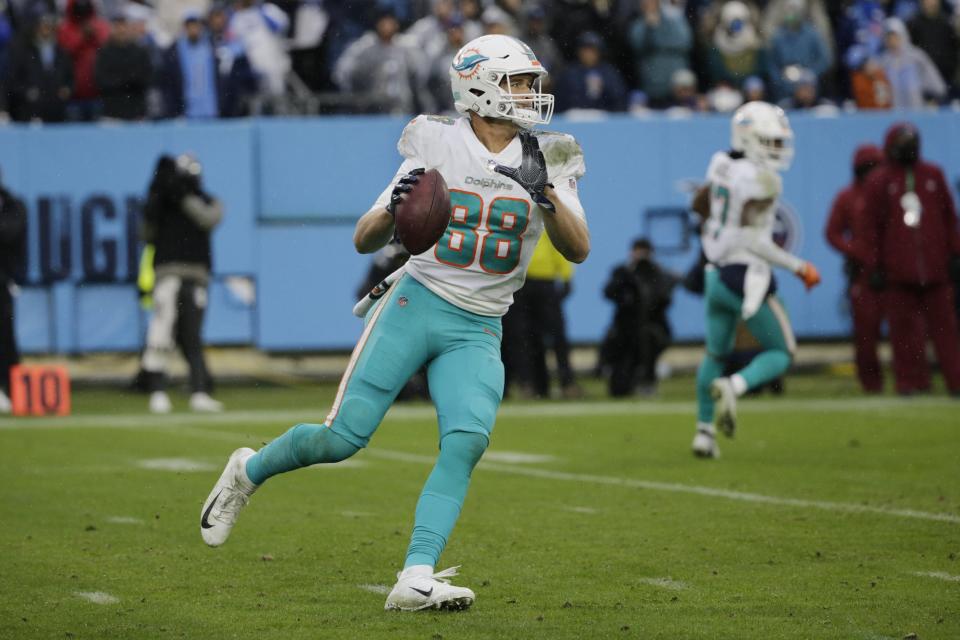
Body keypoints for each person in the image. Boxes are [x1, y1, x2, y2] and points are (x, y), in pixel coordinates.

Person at [198, 34, 589, 612]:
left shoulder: (550, 155)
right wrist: (391, 208)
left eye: (531, 82)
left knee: (466, 441)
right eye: (519, 82)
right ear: (478, 87)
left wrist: (547, 195)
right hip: (418, 301)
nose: (532, 94)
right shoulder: (436, 144)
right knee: (341, 439)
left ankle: (416, 574)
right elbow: (365, 239)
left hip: (481, 323)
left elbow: (578, 248)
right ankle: (246, 471)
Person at [689, 101, 821, 459]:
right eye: (769, 141)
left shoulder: (720, 161)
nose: (777, 149)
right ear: (748, 137)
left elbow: (700, 205)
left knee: (715, 353)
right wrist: (799, 267)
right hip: (744, 274)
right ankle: (733, 385)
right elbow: (755, 241)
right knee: (782, 351)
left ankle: (704, 432)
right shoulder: (764, 180)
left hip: (714, 273)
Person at [857, 123, 960, 396]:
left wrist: (954, 253)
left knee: (946, 329)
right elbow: (871, 228)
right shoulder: (880, 181)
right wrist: (875, 265)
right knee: (903, 332)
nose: (908, 146)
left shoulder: (933, 174)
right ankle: (910, 382)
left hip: (935, 267)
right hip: (897, 270)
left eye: (911, 140)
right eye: (902, 141)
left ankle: (955, 381)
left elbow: (949, 218)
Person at [140, 154, 225, 414]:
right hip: (168, 273)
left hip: (196, 275)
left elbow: (209, 218)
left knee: (192, 336)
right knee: (161, 334)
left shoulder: (202, 199)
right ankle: (157, 391)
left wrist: (181, 195)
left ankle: (199, 391)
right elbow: (145, 233)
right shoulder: (162, 201)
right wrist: (161, 196)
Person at [824, 144, 884, 393]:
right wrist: (856, 251)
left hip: (896, 271)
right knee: (865, 335)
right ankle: (871, 384)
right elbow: (832, 233)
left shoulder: (890, 192)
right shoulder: (848, 196)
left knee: (907, 331)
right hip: (864, 273)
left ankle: (912, 379)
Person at [502, 234, 580, 399]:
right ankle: (531, 383)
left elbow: (559, 243)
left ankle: (561, 382)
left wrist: (566, 276)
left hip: (542, 283)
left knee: (550, 336)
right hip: (523, 283)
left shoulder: (543, 216)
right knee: (524, 336)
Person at [601, 238, 678, 397]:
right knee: (619, 387)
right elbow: (608, 292)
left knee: (647, 345)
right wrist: (627, 280)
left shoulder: (657, 273)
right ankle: (623, 379)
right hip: (625, 328)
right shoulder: (622, 271)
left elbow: (664, 299)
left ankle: (647, 381)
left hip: (651, 326)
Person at [6, 13, 73, 123]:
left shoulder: (62, 53)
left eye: (49, 28)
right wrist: (27, 92)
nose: (46, 31)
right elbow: (14, 80)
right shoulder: (25, 53)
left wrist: (67, 89)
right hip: (31, 110)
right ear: (37, 29)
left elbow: (70, 77)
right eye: (43, 27)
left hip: (56, 110)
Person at [629, 0, 693, 107]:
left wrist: (660, 33)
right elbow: (637, 44)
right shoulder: (639, 24)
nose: (650, 5)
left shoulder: (673, 18)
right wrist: (650, 28)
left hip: (675, 82)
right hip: (651, 83)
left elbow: (685, 41)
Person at [0, 171, 27, 414]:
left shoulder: (12, 205)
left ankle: (9, 388)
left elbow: (8, 233)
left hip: (3, 281)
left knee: (5, 335)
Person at [57, 0, 109, 121]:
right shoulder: (65, 28)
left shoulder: (99, 26)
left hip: (97, 92)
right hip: (74, 94)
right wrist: (82, 37)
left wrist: (93, 35)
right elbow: (65, 51)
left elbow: (107, 49)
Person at [94, 13, 152, 120]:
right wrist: (126, 80)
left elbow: (146, 78)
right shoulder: (104, 53)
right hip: (112, 113)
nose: (121, 30)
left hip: (137, 112)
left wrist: (122, 80)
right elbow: (101, 80)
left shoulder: (139, 51)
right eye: (117, 26)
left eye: (123, 26)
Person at [879, 17, 947, 108]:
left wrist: (931, 98)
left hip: (917, 113)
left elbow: (937, 86)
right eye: (889, 36)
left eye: (895, 36)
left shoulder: (917, 57)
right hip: (892, 115)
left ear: (903, 35)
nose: (892, 40)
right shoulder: (883, 61)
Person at [554, 31, 627, 113]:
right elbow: (560, 101)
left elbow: (619, 99)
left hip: (604, 118)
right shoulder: (569, 73)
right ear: (579, 52)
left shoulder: (609, 73)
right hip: (574, 118)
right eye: (585, 50)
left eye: (592, 50)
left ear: (599, 52)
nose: (588, 54)